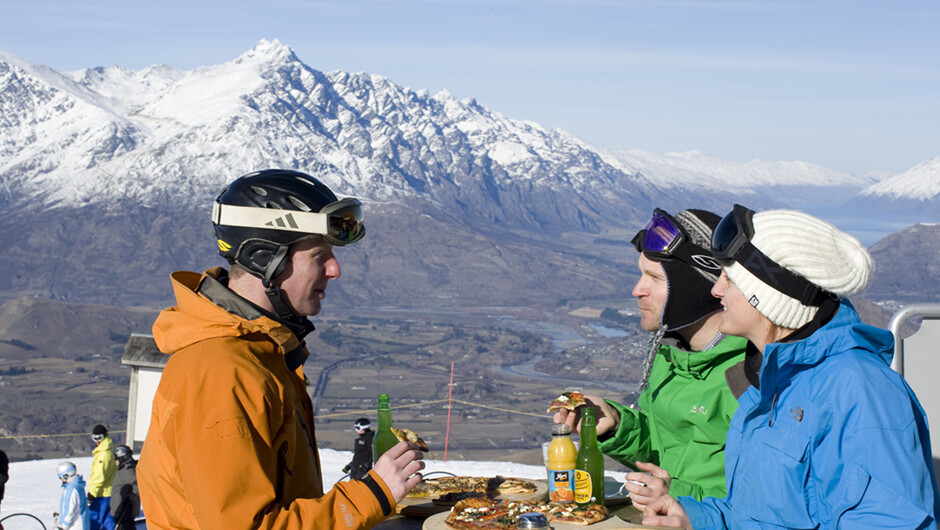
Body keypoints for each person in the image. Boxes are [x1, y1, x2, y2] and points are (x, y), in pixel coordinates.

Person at [137, 169, 425, 529]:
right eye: (320, 255)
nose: (334, 270)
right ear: (264, 259)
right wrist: (373, 495)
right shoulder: (221, 372)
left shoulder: (261, 353)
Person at [643, 205, 940, 529]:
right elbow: (757, 516)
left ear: (767, 294)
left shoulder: (860, 392)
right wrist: (697, 519)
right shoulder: (772, 382)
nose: (716, 290)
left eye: (730, 278)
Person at [554, 209, 747, 508]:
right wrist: (618, 427)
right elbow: (667, 451)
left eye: (654, 277)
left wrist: (677, 497)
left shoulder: (749, 377)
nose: (636, 290)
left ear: (694, 286)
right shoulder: (670, 356)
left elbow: (763, 503)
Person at [87, 424, 115, 530]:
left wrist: (92, 494)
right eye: (94, 438)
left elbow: (99, 476)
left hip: (101, 494)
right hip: (110, 491)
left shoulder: (103, 454)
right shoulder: (111, 447)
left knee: (95, 520)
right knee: (108, 519)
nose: (96, 441)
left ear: (104, 436)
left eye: (99, 438)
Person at [110, 445, 139, 530]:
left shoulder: (128, 471)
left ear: (122, 458)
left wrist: (129, 497)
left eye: (116, 458)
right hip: (121, 508)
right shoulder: (124, 469)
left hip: (125, 510)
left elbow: (137, 488)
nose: (115, 461)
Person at [56, 461, 91, 530]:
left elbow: (70, 511)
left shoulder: (71, 489)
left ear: (66, 476)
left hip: (74, 527)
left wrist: (63, 526)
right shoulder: (78, 486)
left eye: (61, 477)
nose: (61, 479)